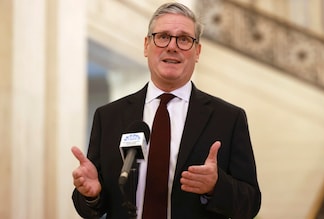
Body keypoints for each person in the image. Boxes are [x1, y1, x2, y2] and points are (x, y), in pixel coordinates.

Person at [71, 2, 261, 219]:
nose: (172, 46)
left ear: (197, 51)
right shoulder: (109, 117)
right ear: (146, 45)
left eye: (184, 39)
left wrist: (216, 186)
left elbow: (251, 202)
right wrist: (91, 194)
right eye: (163, 36)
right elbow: (93, 205)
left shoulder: (228, 119)